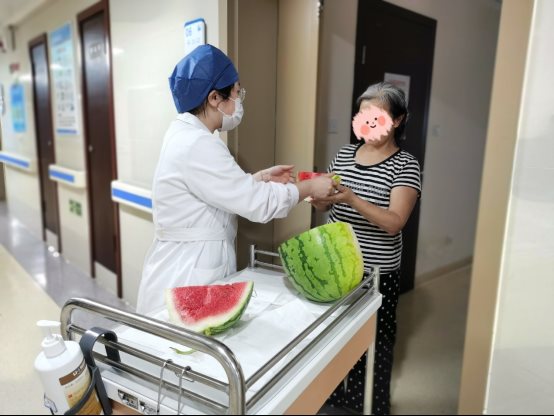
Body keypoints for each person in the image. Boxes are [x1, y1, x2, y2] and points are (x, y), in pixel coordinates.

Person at [136, 44, 336, 314]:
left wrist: (260, 178)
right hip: (188, 271)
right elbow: (257, 205)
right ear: (214, 98)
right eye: (236, 93)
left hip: (183, 262)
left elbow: (213, 189)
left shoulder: (184, 135)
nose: (239, 102)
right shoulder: (199, 144)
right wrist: (309, 187)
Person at [313, 82, 421, 415]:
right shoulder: (344, 154)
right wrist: (315, 197)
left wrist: (352, 199)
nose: (368, 120)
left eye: (377, 114)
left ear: (398, 120)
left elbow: (394, 222)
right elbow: (325, 205)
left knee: (373, 347)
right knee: (333, 343)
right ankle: (331, 404)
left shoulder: (405, 165)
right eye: (363, 113)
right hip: (335, 268)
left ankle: (368, 407)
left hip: (376, 275)